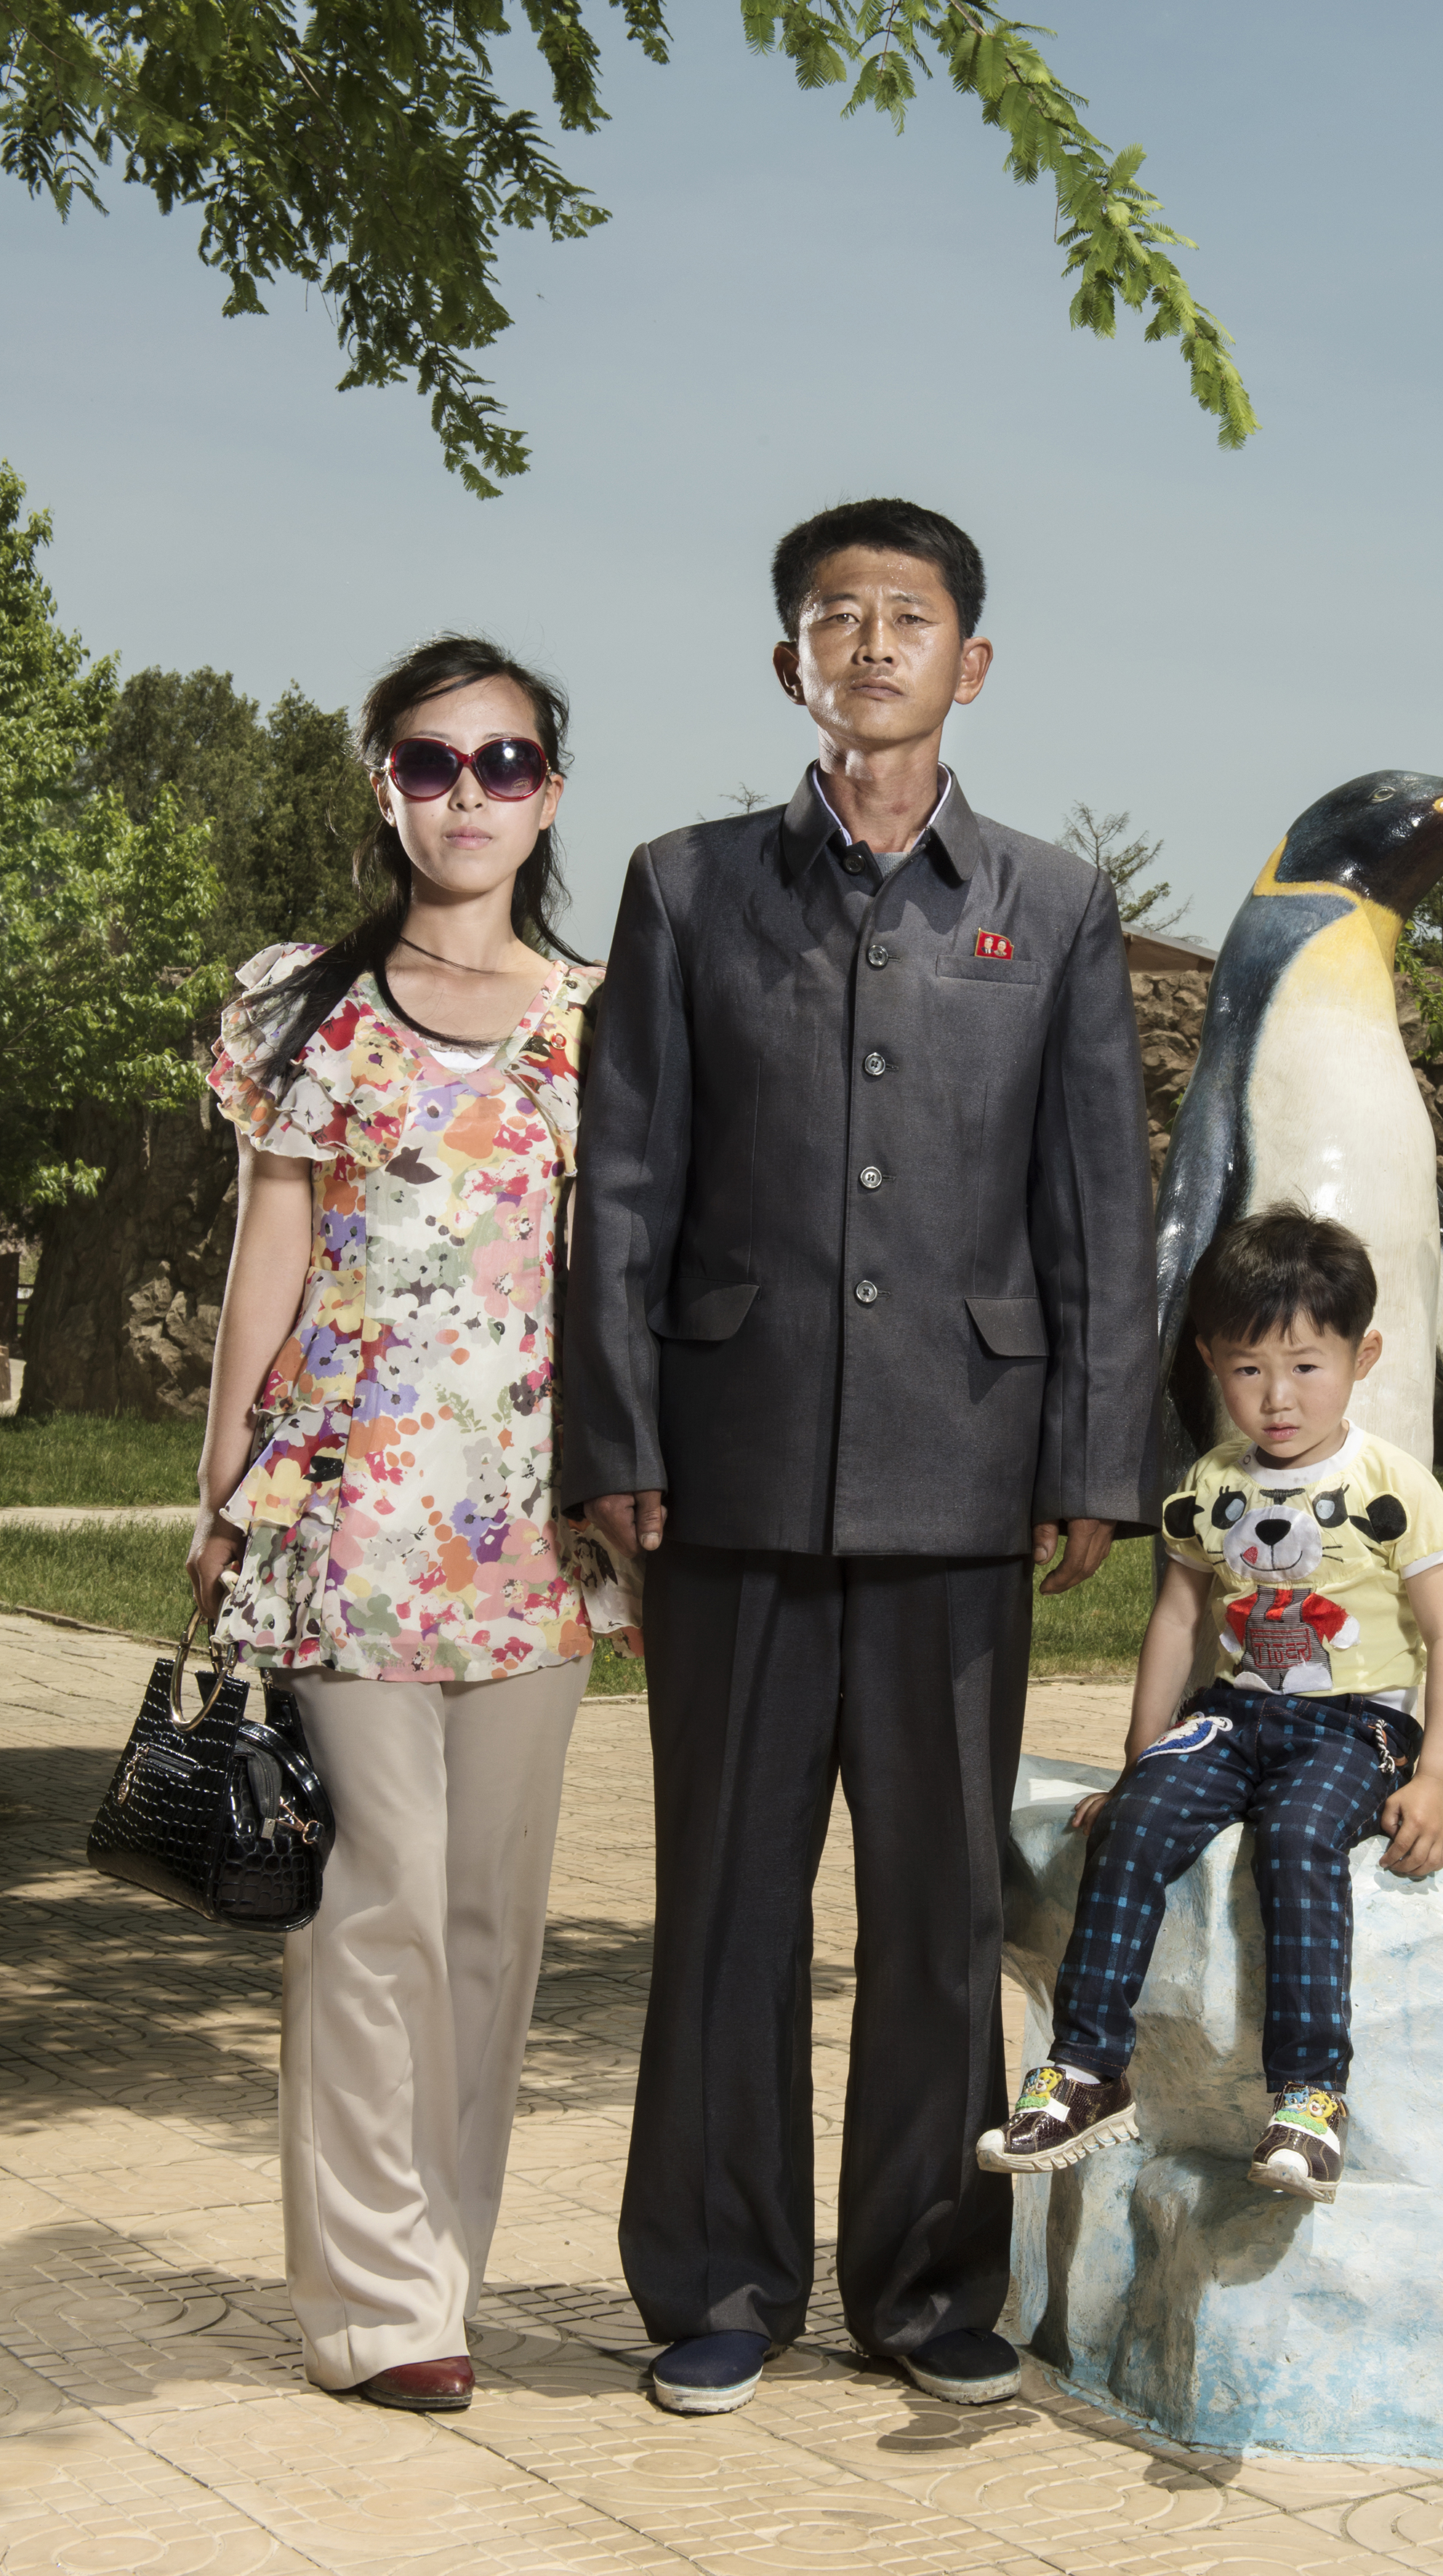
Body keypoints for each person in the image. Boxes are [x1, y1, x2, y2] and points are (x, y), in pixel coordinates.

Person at [563, 497, 1157, 2417]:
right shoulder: (684, 889)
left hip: (966, 1481)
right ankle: (719, 2287)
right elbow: (625, 1192)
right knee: (726, 1901)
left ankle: (923, 2287)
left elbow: (1096, 1204)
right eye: (838, 615)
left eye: (910, 616)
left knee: (932, 1913)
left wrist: (1091, 1455)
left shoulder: (1053, 908)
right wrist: (618, 1438)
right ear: (789, 665)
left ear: (968, 662)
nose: (875, 641)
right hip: (724, 1479)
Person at [188, 635, 635, 2413]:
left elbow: (623, 1269)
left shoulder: (607, 1010)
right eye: (432, 762)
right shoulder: (298, 998)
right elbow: (268, 1256)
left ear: (550, 788)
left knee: (489, 1918)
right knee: (372, 1898)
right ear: (384, 783)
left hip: (536, 1529)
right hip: (343, 1508)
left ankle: (445, 2260)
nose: (470, 794)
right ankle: (378, 2303)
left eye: (506, 761)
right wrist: (220, 1486)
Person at [979, 1204, 1443, 2204]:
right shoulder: (1208, 1486)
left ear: (1362, 1354)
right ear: (1211, 1360)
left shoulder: (1391, 1483)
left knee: (1296, 1841)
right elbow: (1175, 1621)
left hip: (1357, 1724)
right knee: (1140, 1821)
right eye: (1250, 1369)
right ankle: (1085, 2070)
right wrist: (1137, 1761)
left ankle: (1308, 2099)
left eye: (1305, 1365)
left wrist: (1436, 1777)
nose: (1278, 1398)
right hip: (1233, 1713)